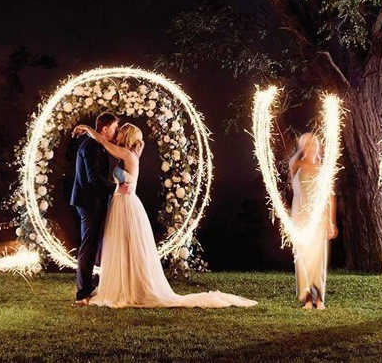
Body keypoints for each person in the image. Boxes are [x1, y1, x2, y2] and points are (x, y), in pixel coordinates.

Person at [72, 122, 257, 309]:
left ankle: (130, 288)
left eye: (120, 132)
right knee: (121, 246)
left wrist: (87, 129)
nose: (117, 134)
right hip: (120, 204)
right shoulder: (127, 155)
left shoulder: (128, 155)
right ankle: (122, 284)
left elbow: (103, 143)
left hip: (126, 205)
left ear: (126, 136)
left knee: (127, 245)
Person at [70, 112, 120, 304]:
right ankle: (82, 292)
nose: (115, 133)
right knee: (88, 246)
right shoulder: (91, 146)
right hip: (89, 202)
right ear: (105, 129)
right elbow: (93, 178)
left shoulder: (96, 144)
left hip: (91, 202)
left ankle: (87, 287)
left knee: (91, 245)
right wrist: (116, 188)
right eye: (114, 129)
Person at [289, 132, 338, 310]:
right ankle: (307, 297)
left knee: (318, 256)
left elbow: (330, 196)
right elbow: (291, 164)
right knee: (302, 256)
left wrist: (331, 221)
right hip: (300, 215)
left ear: (320, 146)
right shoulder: (297, 164)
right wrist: (302, 149)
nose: (311, 147)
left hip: (318, 216)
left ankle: (319, 298)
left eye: (314, 144)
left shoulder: (324, 169)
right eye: (307, 144)